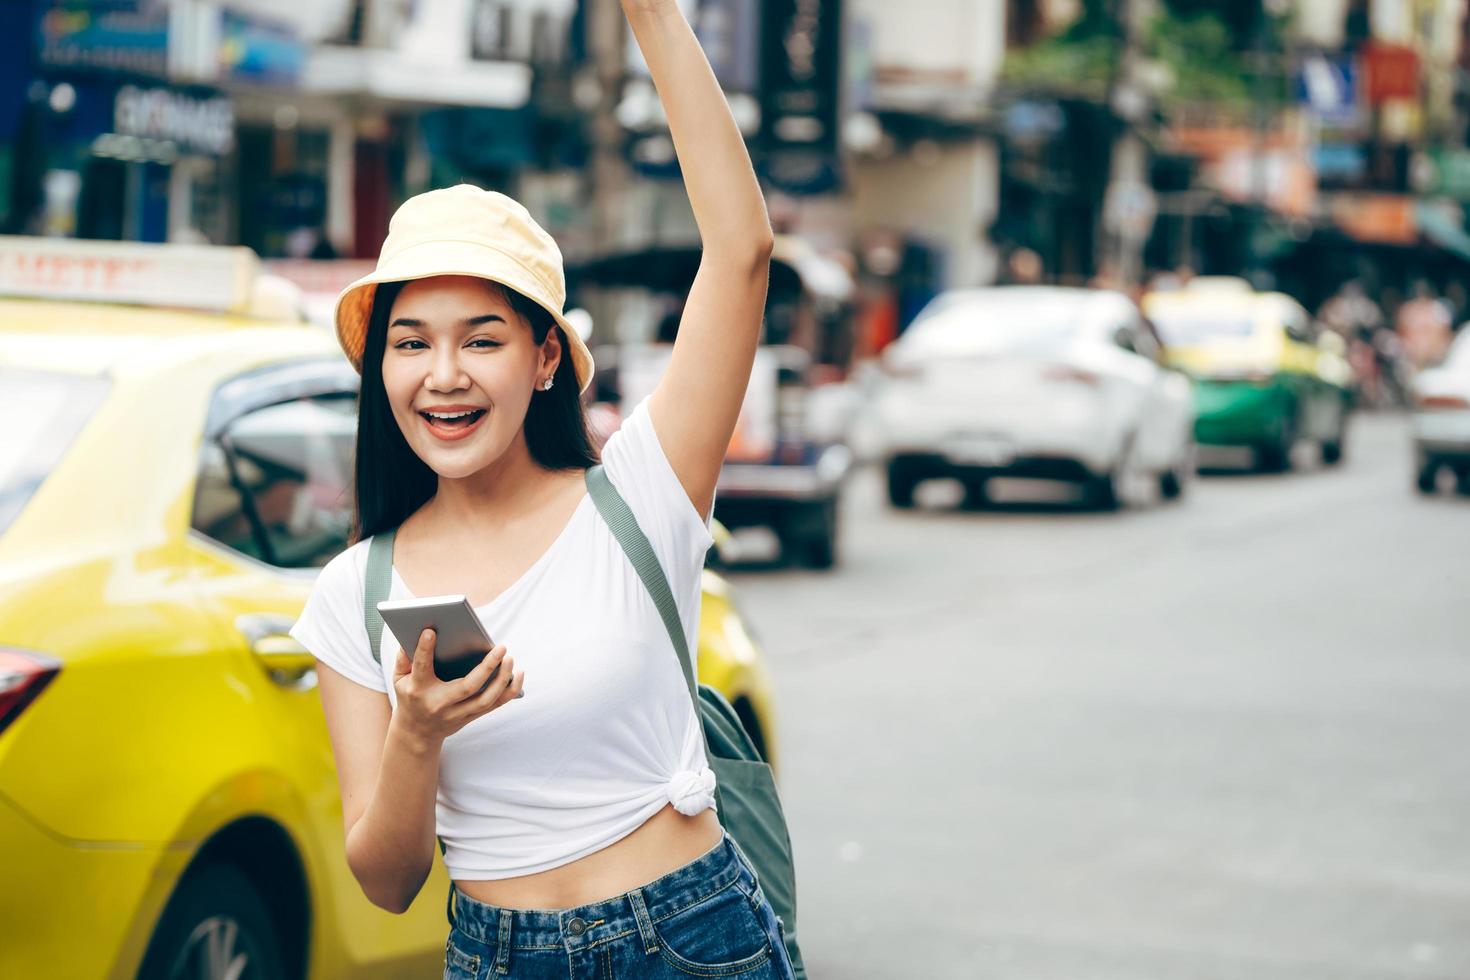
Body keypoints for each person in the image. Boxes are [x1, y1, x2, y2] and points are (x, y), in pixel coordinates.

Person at [287, 3, 790, 978]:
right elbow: (387, 878)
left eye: (482, 338)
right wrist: (419, 733)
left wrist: (647, 13)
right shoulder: (354, 590)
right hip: (497, 953)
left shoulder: (641, 492)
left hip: (691, 938)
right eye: (409, 342)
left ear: (546, 357)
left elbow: (741, 252)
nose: (443, 373)